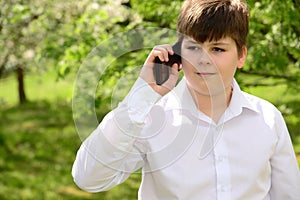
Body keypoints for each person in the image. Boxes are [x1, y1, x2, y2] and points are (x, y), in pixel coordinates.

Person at [72, 0, 300, 199]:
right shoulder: (150, 118)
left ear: (241, 56)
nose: (204, 60)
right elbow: (88, 178)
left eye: (218, 49)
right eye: (193, 48)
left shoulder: (268, 119)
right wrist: (141, 96)